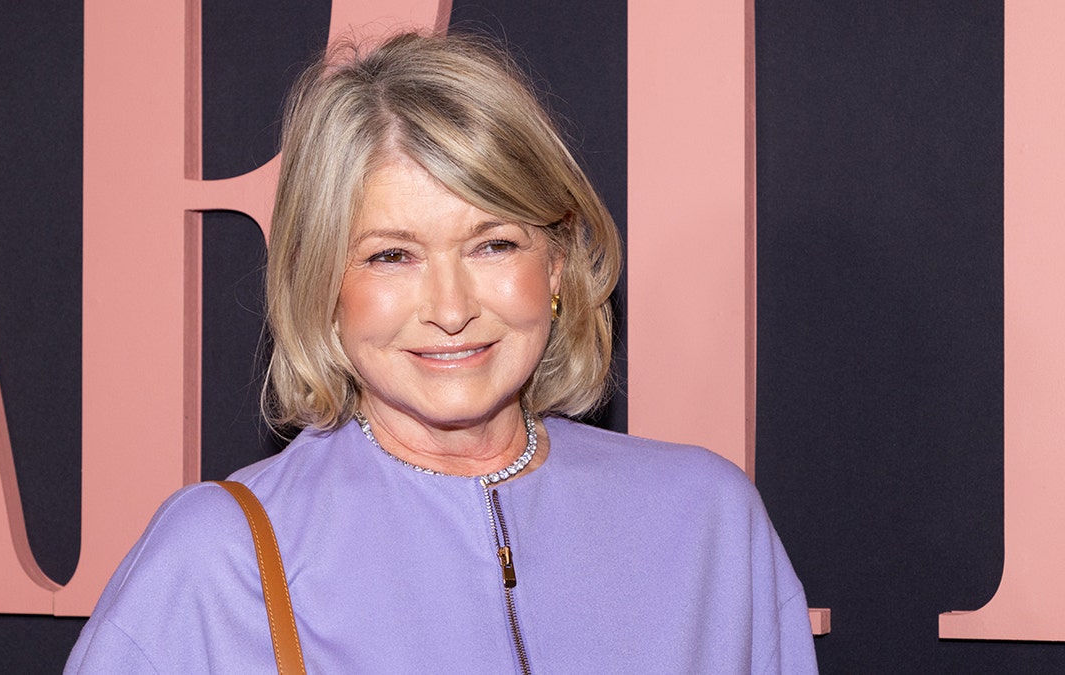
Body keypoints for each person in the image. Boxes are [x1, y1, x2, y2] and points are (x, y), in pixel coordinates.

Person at [66, 31, 818, 673]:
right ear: (324, 283)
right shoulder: (218, 560)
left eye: (493, 244)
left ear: (555, 265)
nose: (453, 309)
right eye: (392, 256)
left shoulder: (708, 526)